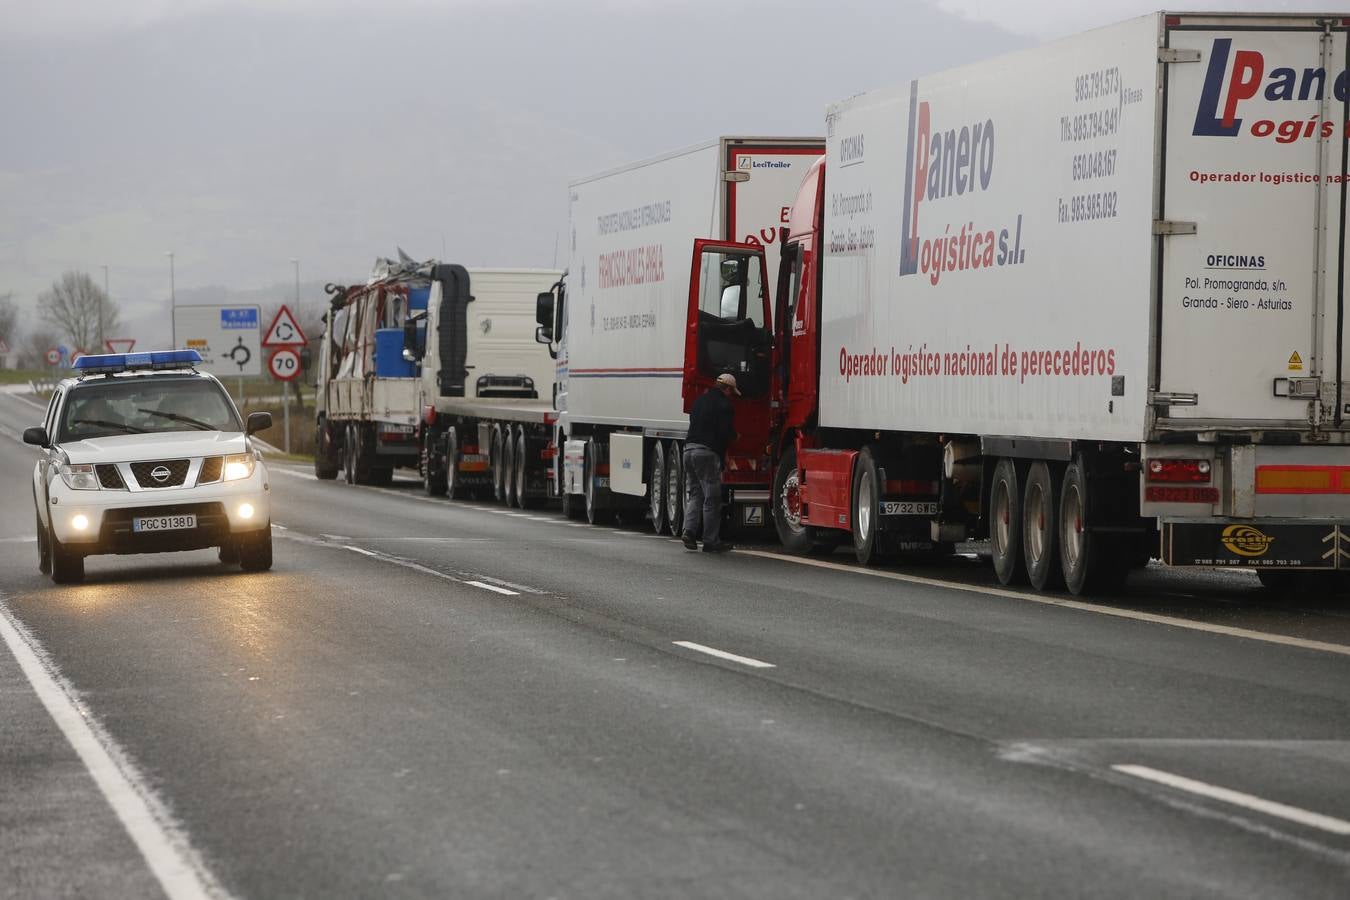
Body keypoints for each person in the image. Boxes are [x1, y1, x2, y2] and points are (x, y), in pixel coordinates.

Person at [681, 372, 739, 553]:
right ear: (727, 389)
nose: (731, 395)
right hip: (706, 453)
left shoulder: (699, 401)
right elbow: (724, 432)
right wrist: (735, 437)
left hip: (688, 450)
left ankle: (689, 531)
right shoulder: (725, 405)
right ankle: (710, 541)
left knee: (695, 494)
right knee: (712, 498)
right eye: (732, 391)